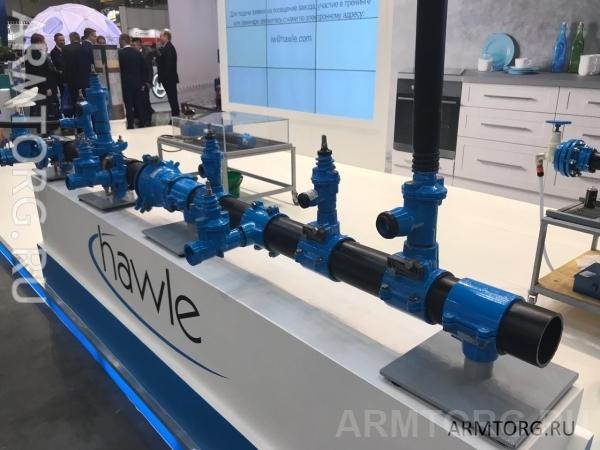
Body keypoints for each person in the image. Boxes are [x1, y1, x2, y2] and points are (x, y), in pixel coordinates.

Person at [25, 33, 59, 123]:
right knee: (42, 108)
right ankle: (42, 128)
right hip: (41, 87)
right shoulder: (35, 53)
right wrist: (46, 87)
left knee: (39, 108)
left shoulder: (31, 51)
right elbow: (40, 71)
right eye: (43, 41)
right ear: (39, 42)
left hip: (36, 85)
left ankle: (40, 126)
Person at [118, 33, 146, 129]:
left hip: (126, 85)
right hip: (138, 84)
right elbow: (143, 69)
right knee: (139, 105)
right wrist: (142, 83)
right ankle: (142, 123)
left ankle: (130, 125)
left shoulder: (120, 54)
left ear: (122, 41)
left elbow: (118, 71)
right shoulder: (137, 53)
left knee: (128, 106)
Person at [157, 30, 180, 118]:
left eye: (161, 36)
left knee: (172, 98)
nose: (160, 38)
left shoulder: (169, 48)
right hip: (168, 79)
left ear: (166, 37)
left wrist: (166, 78)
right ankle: (175, 116)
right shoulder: (166, 48)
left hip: (169, 79)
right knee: (171, 98)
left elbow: (169, 65)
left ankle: (175, 116)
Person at [63, 32, 89, 106]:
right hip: (84, 79)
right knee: (85, 98)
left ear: (70, 38)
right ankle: (85, 111)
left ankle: (76, 111)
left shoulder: (65, 48)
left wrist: (64, 80)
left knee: (74, 99)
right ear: (79, 38)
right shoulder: (84, 47)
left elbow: (64, 66)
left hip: (72, 79)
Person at [132, 37, 154, 127]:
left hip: (145, 83)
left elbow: (150, 69)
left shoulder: (146, 54)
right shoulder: (134, 54)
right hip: (137, 83)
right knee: (139, 102)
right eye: (132, 45)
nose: (133, 47)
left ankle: (148, 120)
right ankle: (142, 119)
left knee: (146, 102)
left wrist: (149, 82)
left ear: (139, 44)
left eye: (134, 45)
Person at [50, 33, 65, 99]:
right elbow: (59, 63)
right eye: (60, 40)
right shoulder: (53, 52)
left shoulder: (67, 49)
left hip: (69, 76)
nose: (62, 42)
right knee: (64, 94)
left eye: (63, 40)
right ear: (55, 41)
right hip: (61, 77)